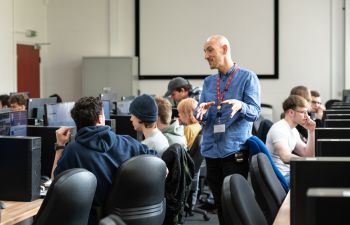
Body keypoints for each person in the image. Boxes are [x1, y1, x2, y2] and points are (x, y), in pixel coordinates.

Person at [52, 96, 157, 225]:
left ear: (76, 122)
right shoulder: (128, 142)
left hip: (96, 220)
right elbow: (159, 165)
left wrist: (60, 146)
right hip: (132, 218)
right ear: (100, 118)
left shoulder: (72, 151)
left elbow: (55, 184)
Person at [195, 35, 261, 225]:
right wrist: (199, 112)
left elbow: (255, 112)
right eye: (204, 51)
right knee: (220, 205)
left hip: (234, 151)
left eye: (209, 50)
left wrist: (241, 105)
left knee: (235, 204)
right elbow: (202, 113)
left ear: (224, 49)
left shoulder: (247, 77)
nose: (205, 56)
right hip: (211, 151)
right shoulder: (208, 82)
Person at [266, 95, 315, 185]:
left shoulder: (293, 130)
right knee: (317, 177)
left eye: (307, 113)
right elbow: (285, 157)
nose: (307, 117)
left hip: (289, 173)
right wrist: (309, 162)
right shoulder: (279, 129)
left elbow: (307, 154)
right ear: (291, 112)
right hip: (281, 178)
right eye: (303, 112)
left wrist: (311, 131)